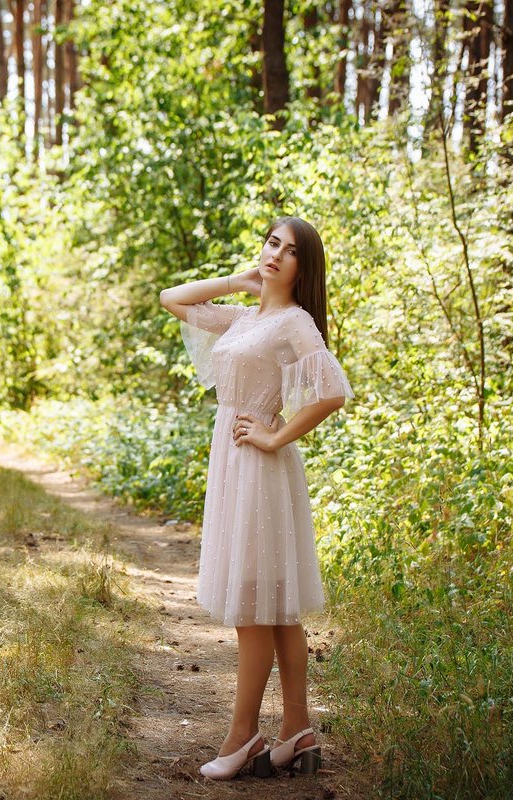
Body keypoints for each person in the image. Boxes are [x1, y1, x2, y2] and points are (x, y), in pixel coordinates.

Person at [158, 216, 354, 781]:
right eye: (272, 243)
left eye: (290, 252)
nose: (276, 255)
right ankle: (298, 728)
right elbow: (171, 298)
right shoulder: (247, 319)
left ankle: (244, 737)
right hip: (234, 462)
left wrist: (274, 433)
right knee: (276, 607)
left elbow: (333, 391)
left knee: (256, 605)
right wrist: (238, 281)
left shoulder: (293, 322)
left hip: (260, 462)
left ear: (303, 267)